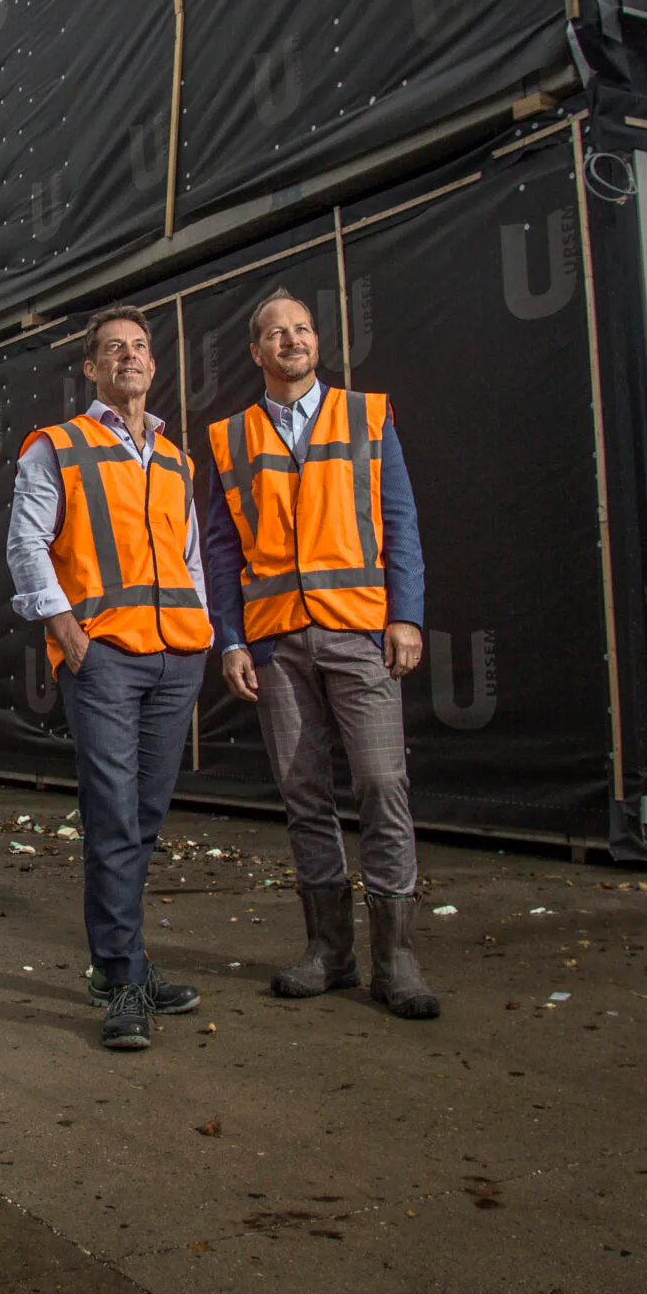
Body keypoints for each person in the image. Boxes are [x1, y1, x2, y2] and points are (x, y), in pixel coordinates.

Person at [200, 288, 438, 1020]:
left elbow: (399, 519)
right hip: (276, 643)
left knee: (382, 786)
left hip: (360, 632)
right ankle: (329, 952)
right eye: (278, 332)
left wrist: (406, 617)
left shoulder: (366, 415)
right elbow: (220, 550)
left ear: (316, 342)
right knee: (304, 796)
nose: (293, 340)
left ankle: (395, 960)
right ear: (257, 351)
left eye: (302, 329)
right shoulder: (230, 437)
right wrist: (232, 638)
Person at [5, 306, 213, 1051]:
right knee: (114, 816)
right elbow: (26, 542)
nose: (129, 356)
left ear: (153, 365)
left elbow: (189, 556)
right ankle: (124, 982)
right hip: (104, 659)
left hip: (176, 658)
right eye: (113, 349)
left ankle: (123, 962)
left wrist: (202, 631)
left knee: (143, 817)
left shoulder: (176, 459)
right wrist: (64, 629)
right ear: (92, 369)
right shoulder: (58, 446)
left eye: (140, 346)